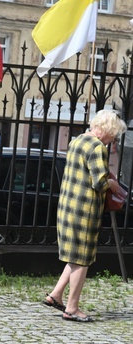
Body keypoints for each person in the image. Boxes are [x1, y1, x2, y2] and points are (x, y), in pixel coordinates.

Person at [45, 109, 127, 322]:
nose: (113, 140)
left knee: (74, 256)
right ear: (107, 130)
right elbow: (99, 182)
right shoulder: (97, 147)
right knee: (82, 260)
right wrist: (113, 183)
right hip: (85, 211)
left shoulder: (77, 141)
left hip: (67, 207)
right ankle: (72, 308)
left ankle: (56, 295)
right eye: (114, 134)